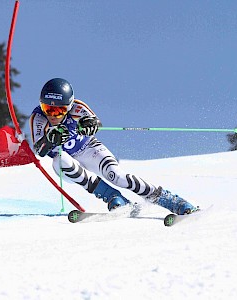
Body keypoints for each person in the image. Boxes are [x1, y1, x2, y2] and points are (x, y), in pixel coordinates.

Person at [29, 78, 197, 215]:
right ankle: (112, 197)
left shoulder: (77, 107)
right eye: (48, 109)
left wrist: (90, 124)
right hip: (69, 164)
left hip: (90, 149)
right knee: (60, 160)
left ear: (69, 106)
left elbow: (96, 122)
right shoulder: (38, 118)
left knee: (118, 176)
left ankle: (172, 201)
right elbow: (40, 149)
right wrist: (50, 139)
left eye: (59, 111)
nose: (53, 115)